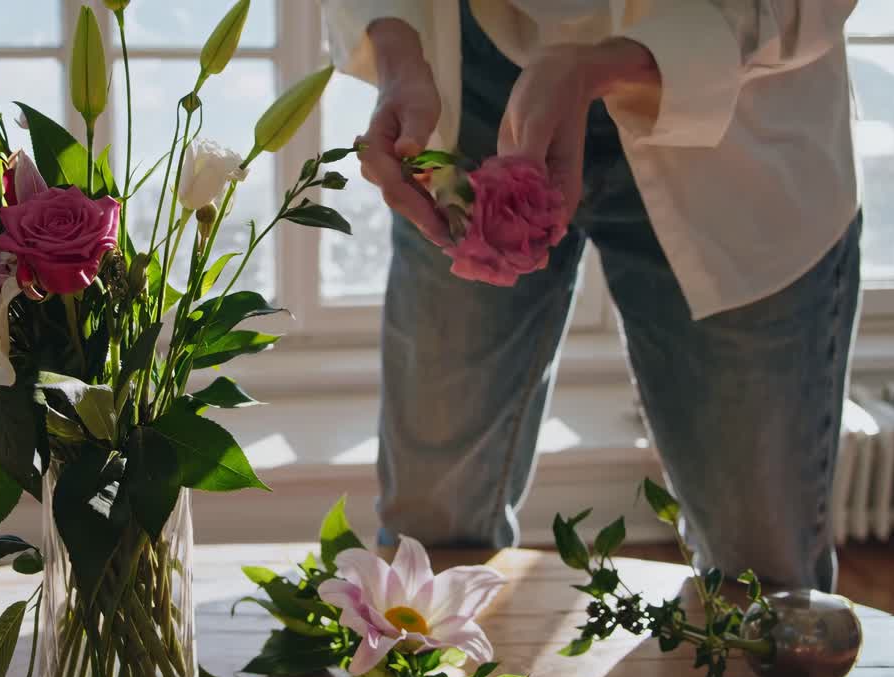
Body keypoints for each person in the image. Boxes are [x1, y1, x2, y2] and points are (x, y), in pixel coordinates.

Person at [319, 0, 861, 592]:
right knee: (432, 525)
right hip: (468, 80)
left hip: (738, 114)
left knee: (763, 570)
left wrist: (598, 67)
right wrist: (399, 55)